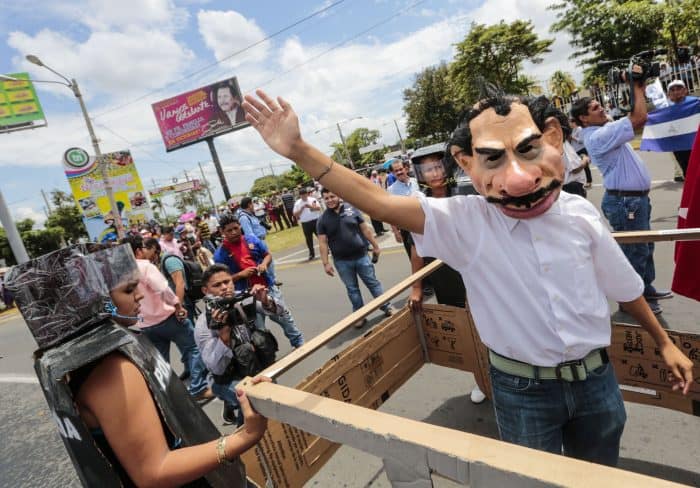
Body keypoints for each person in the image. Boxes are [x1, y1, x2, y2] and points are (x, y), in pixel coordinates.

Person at [242, 89, 693, 466]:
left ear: (552, 138)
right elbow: (379, 204)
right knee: (532, 480)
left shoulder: (579, 212)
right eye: (492, 159)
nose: (517, 180)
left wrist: (665, 341)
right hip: (524, 391)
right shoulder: (465, 221)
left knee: (600, 475)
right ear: (465, 163)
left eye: (528, 149)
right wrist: (300, 150)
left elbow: (623, 286)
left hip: (597, 381)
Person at [6, 244, 269, 486]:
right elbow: (154, 470)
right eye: (129, 289)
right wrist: (244, 436)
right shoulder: (110, 368)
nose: (141, 295)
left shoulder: (81, 358)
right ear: (93, 300)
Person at [571, 78, 673, 315]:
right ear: (584, 119)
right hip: (625, 202)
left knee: (644, 248)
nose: (603, 109)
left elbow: (634, 116)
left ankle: (645, 290)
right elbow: (639, 118)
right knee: (635, 252)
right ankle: (632, 302)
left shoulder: (605, 129)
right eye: (595, 108)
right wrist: (637, 86)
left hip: (633, 200)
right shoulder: (598, 136)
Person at [406, 143, 486, 404]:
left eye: (438, 166)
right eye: (427, 169)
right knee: (467, 332)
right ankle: (482, 381)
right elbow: (416, 249)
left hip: (480, 270)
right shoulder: (417, 205)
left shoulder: (467, 192)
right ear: (419, 174)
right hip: (446, 277)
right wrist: (417, 287)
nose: (434, 173)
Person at [121, 235, 214, 403]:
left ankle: (166, 398)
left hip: (145, 324)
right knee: (193, 347)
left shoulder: (121, 273)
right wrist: (178, 306)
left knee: (160, 362)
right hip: (167, 318)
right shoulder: (145, 266)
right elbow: (163, 289)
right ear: (138, 251)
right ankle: (198, 388)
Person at [195, 265, 282, 426]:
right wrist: (223, 337)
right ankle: (245, 444)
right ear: (205, 290)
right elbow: (215, 368)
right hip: (227, 379)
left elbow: (280, 312)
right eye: (217, 285)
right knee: (252, 403)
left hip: (254, 367)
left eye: (227, 282)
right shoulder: (203, 324)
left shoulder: (242, 299)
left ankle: (232, 406)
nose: (224, 287)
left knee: (275, 396)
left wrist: (266, 301)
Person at [214, 213, 304, 349]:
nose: (233, 232)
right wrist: (240, 275)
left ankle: (299, 344)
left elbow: (267, 255)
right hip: (246, 297)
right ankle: (267, 355)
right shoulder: (220, 254)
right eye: (229, 230)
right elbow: (223, 280)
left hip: (268, 287)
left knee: (284, 317)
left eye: (236, 228)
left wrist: (264, 265)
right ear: (222, 232)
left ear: (240, 227)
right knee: (258, 331)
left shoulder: (251, 239)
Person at [317, 188, 396, 328]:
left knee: (373, 283)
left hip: (361, 256)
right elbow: (322, 243)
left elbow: (365, 230)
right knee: (352, 289)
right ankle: (359, 316)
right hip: (342, 262)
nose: (329, 200)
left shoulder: (352, 210)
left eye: (332, 196)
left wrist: (376, 246)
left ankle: (387, 307)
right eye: (326, 198)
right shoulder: (322, 220)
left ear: (338, 196)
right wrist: (325, 263)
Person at [386, 159, 419, 257]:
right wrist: (396, 232)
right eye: (396, 171)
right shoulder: (391, 190)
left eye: (401, 169)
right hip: (406, 229)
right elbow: (390, 213)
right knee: (414, 258)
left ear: (406, 169)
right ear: (392, 173)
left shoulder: (417, 182)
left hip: (424, 224)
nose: (399, 172)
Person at [666, 79, 698, 178]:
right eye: (672, 90)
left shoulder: (696, 103)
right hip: (679, 148)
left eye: (679, 88)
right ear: (669, 94)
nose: (676, 92)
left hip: (696, 145)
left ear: (685, 90)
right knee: (689, 176)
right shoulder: (666, 110)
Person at [293, 187, 322, 260]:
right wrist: (301, 209)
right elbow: (295, 214)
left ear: (307, 194)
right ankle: (311, 254)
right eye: (302, 195)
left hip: (315, 220)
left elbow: (318, 208)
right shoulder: (298, 203)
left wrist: (310, 206)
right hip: (305, 223)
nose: (303, 196)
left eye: (305, 194)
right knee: (309, 239)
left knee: (320, 237)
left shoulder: (312, 199)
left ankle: (326, 250)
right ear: (300, 195)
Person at [569, 118, 593, 188]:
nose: (570, 124)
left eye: (570, 123)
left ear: (574, 123)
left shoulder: (579, 129)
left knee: (585, 166)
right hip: (575, 150)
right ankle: (582, 181)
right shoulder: (573, 130)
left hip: (581, 149)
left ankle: (589, 181)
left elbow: (581, 140)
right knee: (578, 166)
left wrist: (573, 138)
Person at [368, 170, 388, 236]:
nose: (375, 175)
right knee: (374, 216)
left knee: (379, 215)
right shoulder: (370, 180)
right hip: (372, 199)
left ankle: (381, 229)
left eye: (376, 174)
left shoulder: (377, 178)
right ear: (371, 174)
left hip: (378, 197)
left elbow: (380, 185)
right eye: (374, 174)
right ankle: (378, 231)